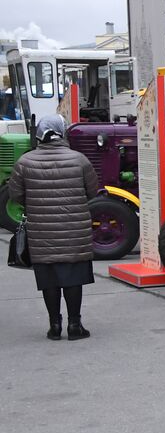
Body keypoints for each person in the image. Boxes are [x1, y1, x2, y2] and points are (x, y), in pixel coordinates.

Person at [7, 114, 100, 340]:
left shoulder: (25, 162)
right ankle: (75, 325)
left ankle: (54, 326)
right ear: (62, 131)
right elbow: (92, 191)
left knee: (49, 277)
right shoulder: (79, 159)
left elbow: (15, 195)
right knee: (73, 275)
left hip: (41, 229)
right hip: (74, 228)